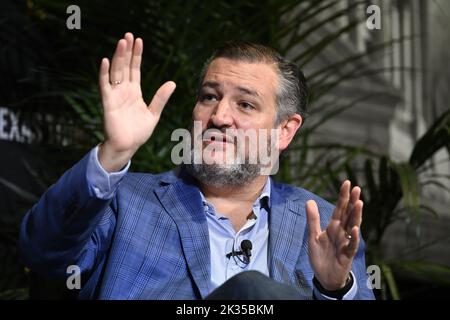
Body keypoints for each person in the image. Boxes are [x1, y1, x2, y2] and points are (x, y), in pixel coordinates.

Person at [19, 32, 375, 300]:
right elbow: (43, 254)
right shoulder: (124, 200)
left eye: (245, 105)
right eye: (209, 97)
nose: (219, 116)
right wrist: (113, 152)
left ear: (284, 130)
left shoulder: (322, 224)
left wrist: (332, 290)